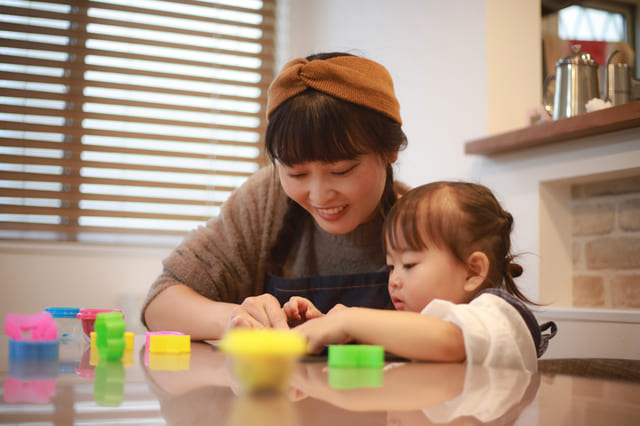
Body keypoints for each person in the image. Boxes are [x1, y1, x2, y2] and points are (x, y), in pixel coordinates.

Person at [141, 52, 409, 340]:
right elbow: (160, 303)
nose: (319, 195)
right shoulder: (267, 199)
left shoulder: (422, 220)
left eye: (342, 170)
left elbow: (452, 330)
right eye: (296, 173)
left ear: (389, 151)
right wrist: (234, 318)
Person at [286, 182, 557, 371]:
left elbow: (450, 342)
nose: (393, 279)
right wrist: (329, 327)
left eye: (410, 264)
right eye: (391, 266)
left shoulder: (498, 316)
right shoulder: (423, 326)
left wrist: (350, 320)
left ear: (472, 271)